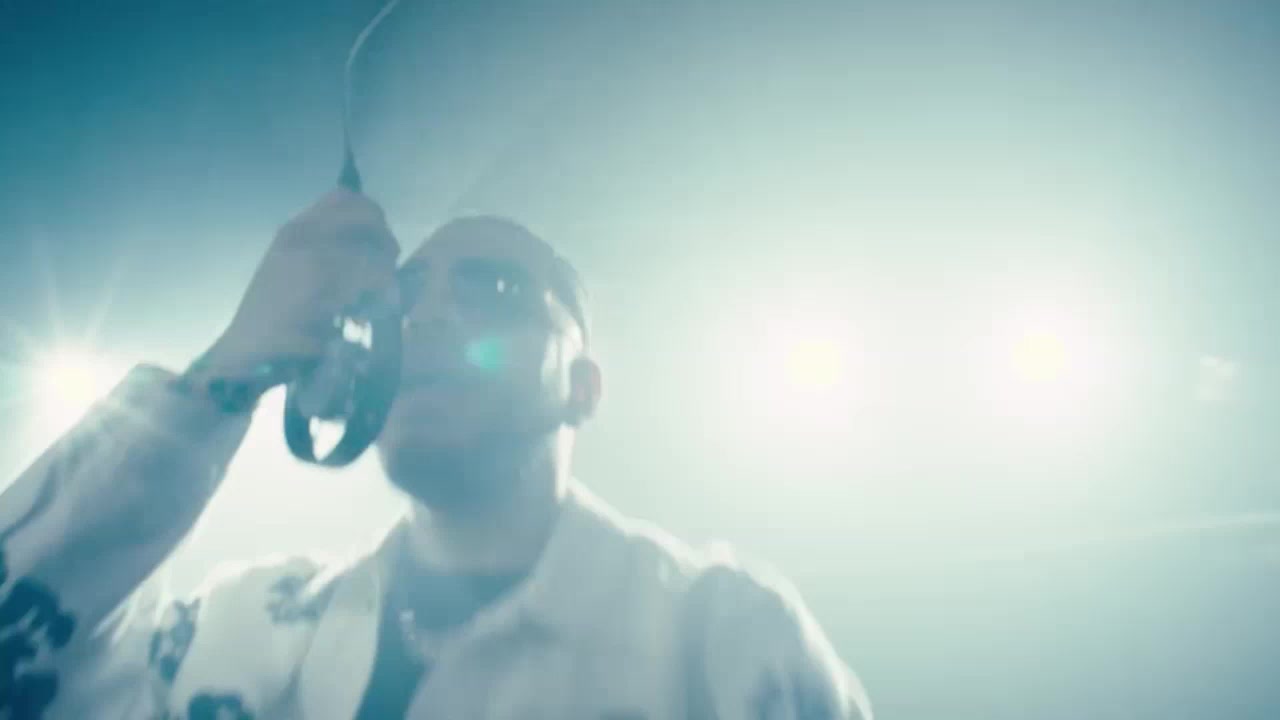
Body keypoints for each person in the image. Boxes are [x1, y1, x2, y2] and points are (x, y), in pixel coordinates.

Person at [0, 188, 872, 719]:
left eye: (496, 289)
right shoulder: (241, 626)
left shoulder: (722, 635)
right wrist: (228, 368)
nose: (427, 317)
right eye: (403, 297)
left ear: (583, 387)